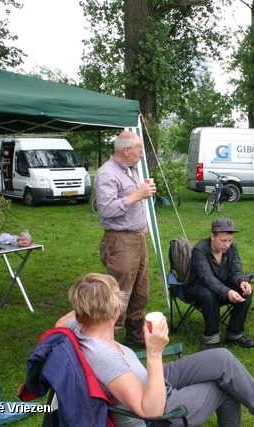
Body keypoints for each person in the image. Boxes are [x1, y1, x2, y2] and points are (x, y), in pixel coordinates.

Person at [56, 273, 254, 427]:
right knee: (228, 388)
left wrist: (91, 295)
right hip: (156, 410)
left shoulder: (77, 327)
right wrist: (153, 352)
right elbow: (149, 411)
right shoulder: (105, 357)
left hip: (147, 381)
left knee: (221, 358)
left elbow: (61, 321)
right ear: (113, 311)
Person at [94, 131, 156, 347]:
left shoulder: (131, 170)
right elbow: (107, 209)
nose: (141, 155)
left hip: (137, 238)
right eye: (139, 151)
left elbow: (133, 203)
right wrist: (138, 195)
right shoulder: (107, 174)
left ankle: (135, 337)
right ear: (126, 150)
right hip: (120, 241)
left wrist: (142, 223)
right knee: (119, 294)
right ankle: (106, 342)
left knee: (140, 291)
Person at [185, 218, 254, 350]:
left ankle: (235, 334)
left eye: (230, 240)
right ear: (212, 236)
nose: (227, 245)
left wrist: (242, 281)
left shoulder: (232, 249)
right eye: (223, 241)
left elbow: (236, 270)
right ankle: (211, 339)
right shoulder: (200, 249)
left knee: (246, 291)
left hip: (221, 283)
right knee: (208, 295)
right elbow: (207, 277)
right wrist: (226, 291)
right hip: (198, 287)